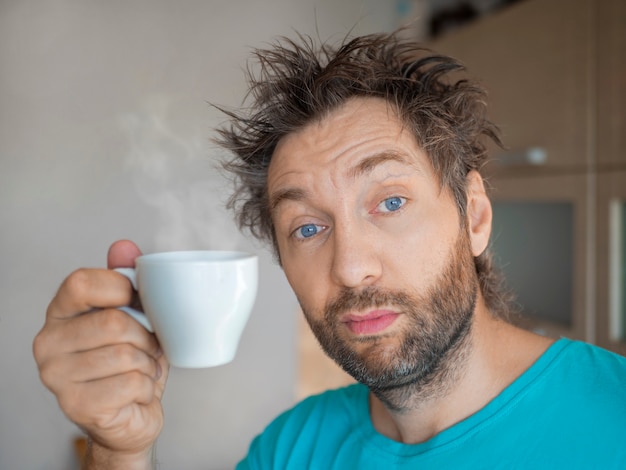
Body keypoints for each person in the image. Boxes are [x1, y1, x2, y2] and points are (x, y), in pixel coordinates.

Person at [33, 31, 626, 469]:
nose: (349, 267)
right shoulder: (289, 449)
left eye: (390, 203)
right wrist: (120, 449)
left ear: (474, 215)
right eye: (308, 228)